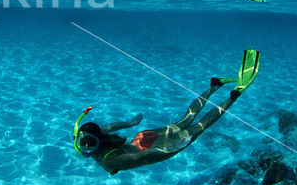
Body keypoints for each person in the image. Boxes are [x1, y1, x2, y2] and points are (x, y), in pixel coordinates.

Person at [73, 49, 260, 175]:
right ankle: (214, 85)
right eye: (84, 144)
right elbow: (109, 126)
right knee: (186, 120)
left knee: (196, 128)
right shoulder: (90, 136)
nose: (87, 147)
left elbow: (144, 157)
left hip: (153, 148)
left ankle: (234, 96)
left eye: (88, 142)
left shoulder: (109, 163)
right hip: (142, 138)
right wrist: (130, 124)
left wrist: (171, 148)